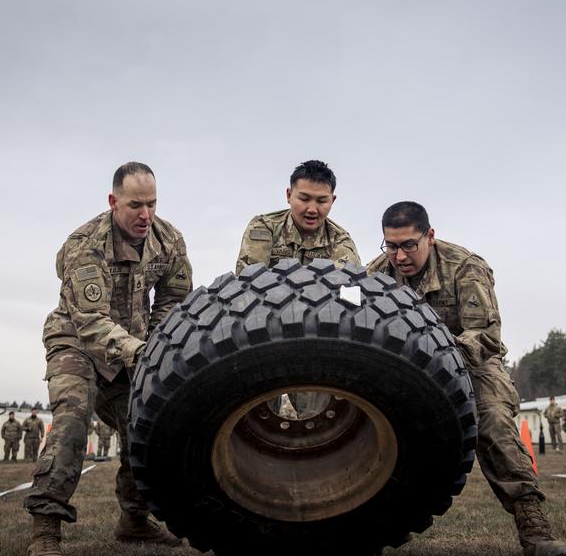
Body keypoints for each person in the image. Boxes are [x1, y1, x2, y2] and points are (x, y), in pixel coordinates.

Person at [366, 201, 566, 556]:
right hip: (403, 367)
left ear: (429, 236)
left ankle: (535, 529)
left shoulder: (466, 267)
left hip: (471, 363)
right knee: (366, 426)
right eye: (391, 245)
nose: (399, 256)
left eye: (408, 245)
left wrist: (435, 354)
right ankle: (363, 529)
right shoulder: (376, 274)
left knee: (494, 424)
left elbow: (485, 335)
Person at [24, 161, 193, 555]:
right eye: (136, 205)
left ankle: (134, 521)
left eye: (152, 203)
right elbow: (90, 322)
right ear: (113, 201)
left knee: (146, 428)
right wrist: (141, 352)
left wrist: (157, 343)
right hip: (76, 342)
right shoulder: (86, 245)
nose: (145, 215)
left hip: (132, 348)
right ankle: (46, 530)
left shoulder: (168, 240)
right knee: (71, 421)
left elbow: (173, 299)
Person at [235, 160, 360, 417]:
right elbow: (250, 284)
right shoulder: (264, 228)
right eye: (304, 198)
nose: (312, 209)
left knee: (316, 417)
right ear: (289, 195)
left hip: (312, 341)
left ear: (333, 200)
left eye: (321, 201)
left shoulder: (341, 241)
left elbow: (348, 294)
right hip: (263, 336)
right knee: (254, 414)